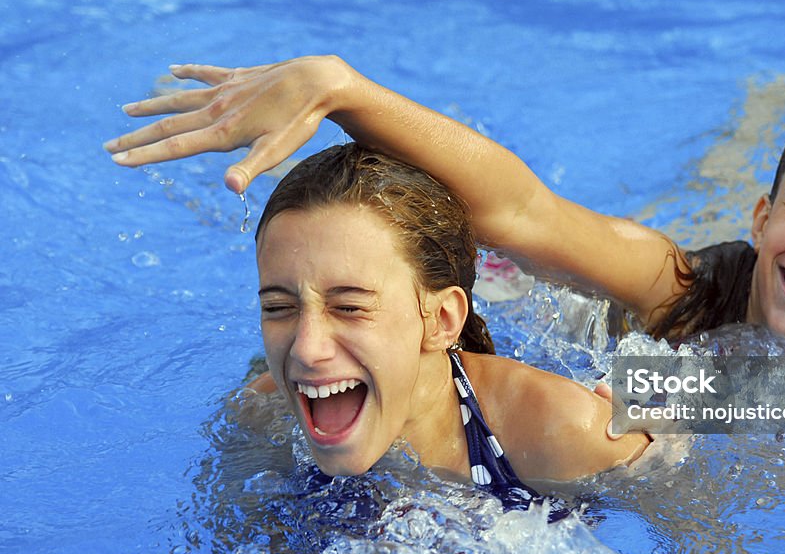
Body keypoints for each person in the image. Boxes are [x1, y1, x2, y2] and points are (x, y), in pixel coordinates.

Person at [104, 55, 785, 344]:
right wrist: (344, 91)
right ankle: (766, 107)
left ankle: (768, 105)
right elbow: (521, 210)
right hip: (572, 304)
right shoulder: (682, 289)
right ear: (763, 218)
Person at [240, 141, 648, 496]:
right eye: (279, 308)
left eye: (349, 307)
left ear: (440, 318)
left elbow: (708, 384)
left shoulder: (561, 430)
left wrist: (671, 432)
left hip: (581, 328)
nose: (307, 350)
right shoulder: (260, 416)